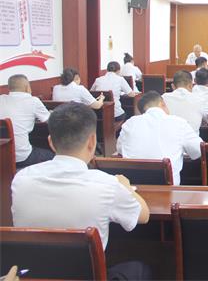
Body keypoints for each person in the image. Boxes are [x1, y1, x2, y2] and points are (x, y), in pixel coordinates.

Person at [12, 102, 151, 279]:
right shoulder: (107, 185)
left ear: (51, 142)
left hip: (33, 275)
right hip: (86, 276)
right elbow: (143, 216)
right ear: (92, 141)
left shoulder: (21, 179)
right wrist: (126, 187)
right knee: (139, 269)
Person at [117, 92, 202, 186]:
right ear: (163, 104)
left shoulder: (130, 123)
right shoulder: (178, 122)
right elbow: (199, 150)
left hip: (134, 188)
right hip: (168, 189)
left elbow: (120, 149)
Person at [0, 74, 52, 168]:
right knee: (53, 156)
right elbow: (51, 120)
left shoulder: (1, 99)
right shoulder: (33, 101)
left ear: (9, 88)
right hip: (22, 158)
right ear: (27, 87)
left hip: (3, 156)